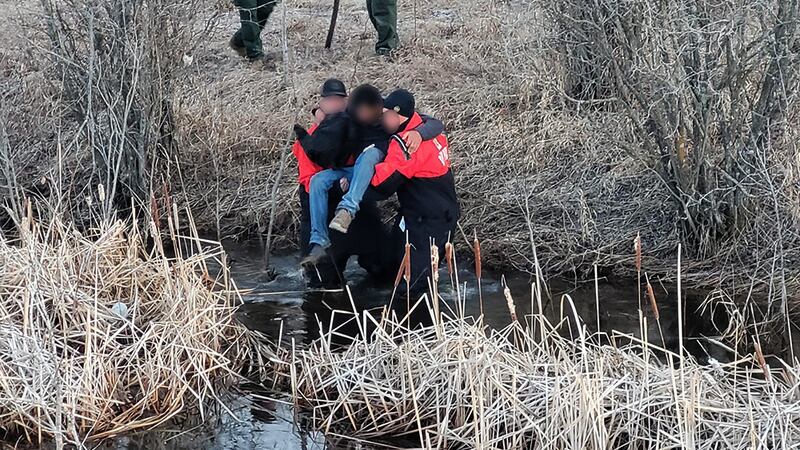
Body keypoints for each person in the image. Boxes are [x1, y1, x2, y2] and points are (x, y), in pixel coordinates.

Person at [295, 85, 444, 267]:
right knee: (318, 180)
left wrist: (419, 133)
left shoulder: (388, 114)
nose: (364, 114)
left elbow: (434, 123)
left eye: (369, 110)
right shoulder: (345, 117)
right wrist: (318, 115)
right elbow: (310, 171)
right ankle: (319, 240)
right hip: (348, 177)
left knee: (370, 154)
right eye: (328, 101)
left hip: (375, 168)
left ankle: (348, 210)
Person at [370, 89, 459, 294]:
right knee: (388, 266)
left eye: (385, 115)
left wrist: (357, 176)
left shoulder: (406, 144)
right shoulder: (426, 128)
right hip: (424, 215)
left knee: (414, 287)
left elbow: (382, 185)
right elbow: (433, 122)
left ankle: (415, 322)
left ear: (398, 116)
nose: (382, 119)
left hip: (428, 222)